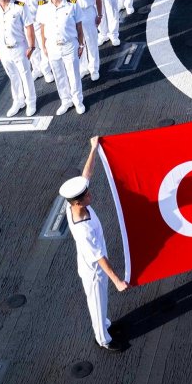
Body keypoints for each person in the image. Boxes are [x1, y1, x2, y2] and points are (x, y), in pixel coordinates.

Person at [61, 144, 129, 351]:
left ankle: (105, 325)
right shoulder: (85, 230)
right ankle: (103, 339)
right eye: (87, 196)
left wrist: (92, 149)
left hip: (88, 259)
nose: (90, 195)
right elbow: (100, 257)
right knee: (97, 303)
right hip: (94, 270)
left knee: (101, 300)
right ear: (78, 203)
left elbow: (86, 174)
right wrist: (117, 280)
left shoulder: (72, 205)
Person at [35, 0, 85, 115]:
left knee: (73, 74)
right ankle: (66, 101)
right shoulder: (43, 6)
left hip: (70, 44)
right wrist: (44, 46)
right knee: (59, 75)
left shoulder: (72, 3)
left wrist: (81, 45)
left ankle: (78, 100)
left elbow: (79, 27)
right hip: (53, 46)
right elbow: (42, 27)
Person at [0, 0, 36, 117]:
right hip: (3, 49)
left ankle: (31, 101)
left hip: (19, 47)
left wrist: (31, 46)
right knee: (13, 76)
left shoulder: (20, 6)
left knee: (25, 75)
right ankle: (18, 101)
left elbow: (29, 26)